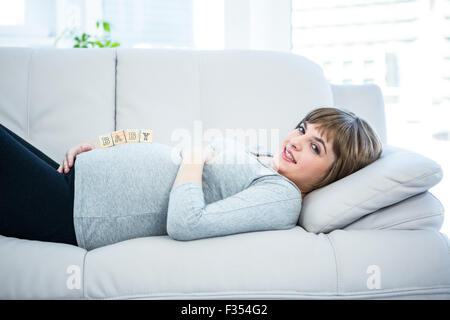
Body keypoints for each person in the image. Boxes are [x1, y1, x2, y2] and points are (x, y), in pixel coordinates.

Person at [0, 107, 382, 250]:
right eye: (302, 129)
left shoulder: (282, 197)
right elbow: (165, 148)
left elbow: (186, 223)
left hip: (74, 211)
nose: (297, 142)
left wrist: (196, 158)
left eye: (316, 148)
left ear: (334, 175)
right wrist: (100, 145)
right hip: (74, 177)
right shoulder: (264, 160)